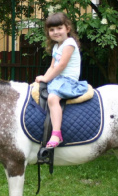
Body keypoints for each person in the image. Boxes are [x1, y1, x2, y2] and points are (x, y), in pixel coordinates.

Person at [35, 12, 88, 148]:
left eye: (59, 28)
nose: (55, 32)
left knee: (53, 98)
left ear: (67, 28)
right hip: (58, 79)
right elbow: (52, 66)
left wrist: (47, 78)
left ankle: (56, 133)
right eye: (52, 30)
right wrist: (43, 79)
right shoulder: (56, 47)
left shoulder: (69, 43)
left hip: (67, 80)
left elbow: (61, 65)